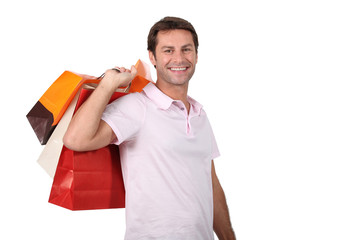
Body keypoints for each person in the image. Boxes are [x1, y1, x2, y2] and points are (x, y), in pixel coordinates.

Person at [63, 16, 236, 240]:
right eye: (168, 50)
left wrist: (228, 237)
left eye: (186, 49)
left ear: (196, 54)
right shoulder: (138, 106)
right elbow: (76, 140)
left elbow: (211, 183)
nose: (179, 58)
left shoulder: (199, 114)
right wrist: (108, 84)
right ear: (152, 57)